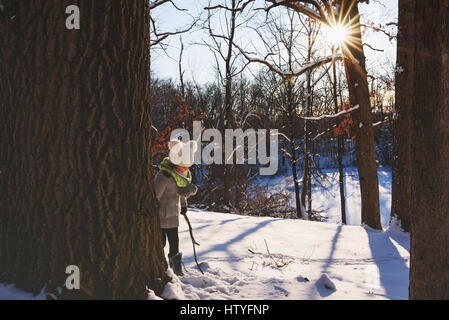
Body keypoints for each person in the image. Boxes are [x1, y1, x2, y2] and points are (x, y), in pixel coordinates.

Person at [154, 139, 198, 276]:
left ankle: (176, 268)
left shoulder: (182, 177)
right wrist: (153, 207)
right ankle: (158, 264)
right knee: (160, 242)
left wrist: (183, 205)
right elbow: (155, 195)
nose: (185, 169)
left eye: (187, 167)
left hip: (173, 216)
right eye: (182, 166)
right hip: (161, 216)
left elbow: (181, 192)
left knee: (174, 243)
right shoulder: (164, 176)